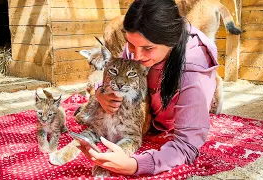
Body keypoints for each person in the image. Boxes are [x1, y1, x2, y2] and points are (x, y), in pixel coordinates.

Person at [78, 0, 218, 176]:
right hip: (144, 120)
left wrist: (136, 165)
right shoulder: (140, 48)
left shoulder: (193, 72)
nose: (136, 56)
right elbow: (116, 72)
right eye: (131, 44)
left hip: (165, 124)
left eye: (148, 48)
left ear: (171, 41)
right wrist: (101, 93)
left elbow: (187, 147)